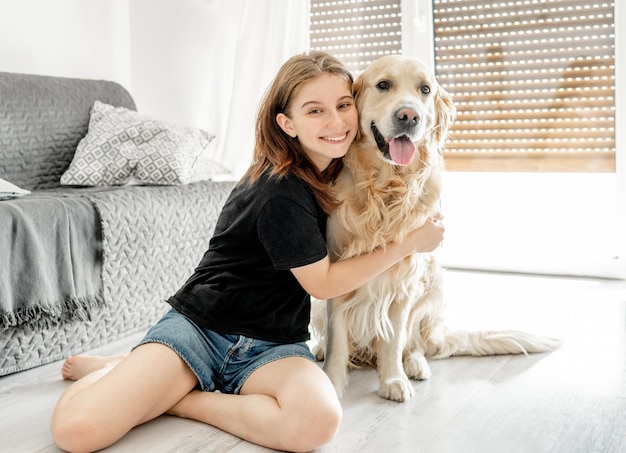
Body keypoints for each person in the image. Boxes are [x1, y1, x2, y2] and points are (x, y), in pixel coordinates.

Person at [50, 51, 445, 453]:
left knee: (316, 423)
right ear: (286, 124)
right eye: (314, 111)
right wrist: (410, 244)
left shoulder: (333, 172)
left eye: (343, 105)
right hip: (203, 331)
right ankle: (143, 378)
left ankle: (166, 390)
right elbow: (324, 285)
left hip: (273, 345)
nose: (336, 121)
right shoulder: (280, 190)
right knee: (76, 432)